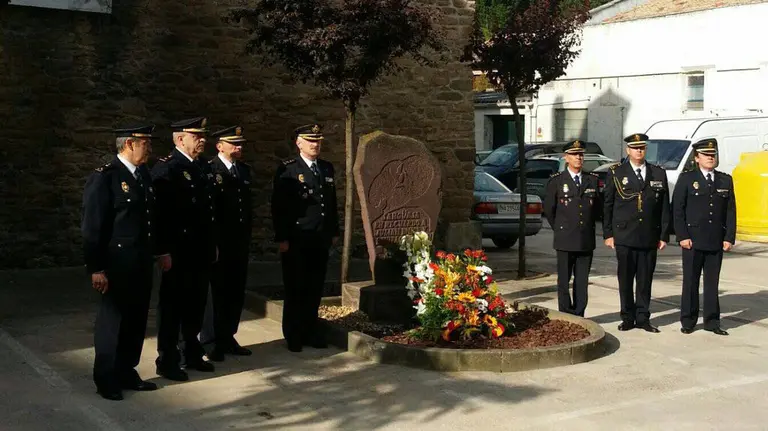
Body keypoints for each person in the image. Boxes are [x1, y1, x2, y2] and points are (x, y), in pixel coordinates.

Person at [82, 124, 159, 401]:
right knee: (111, 323)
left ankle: (127, 370)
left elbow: (149, 221)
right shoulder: (106, 177)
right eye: (145, 143)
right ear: (128, 144)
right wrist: (96, 268)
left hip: (140, 262)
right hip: (116, 264)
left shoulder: (143, 176)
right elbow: (93, 228)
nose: (149, 148)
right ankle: (106, 378)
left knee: (136, 321)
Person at [151, 117, 217, 380]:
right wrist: (163, 250)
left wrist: (212, 244)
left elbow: (208, 212)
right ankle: (167, 358)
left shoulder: (202, 166)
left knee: (195, 304)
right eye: (196, 136)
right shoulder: (167, 169)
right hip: (178, 251)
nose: (202, 140)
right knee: (172, 307)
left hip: (199, 250)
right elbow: (160, 215)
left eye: (203, 136)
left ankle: (192, 350)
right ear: (180, 139)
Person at [271, 123, 340, 352]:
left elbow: (331, 204)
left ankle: (311, 331)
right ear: (298, 143)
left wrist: (334, 231)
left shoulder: (326, 168)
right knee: (296, 287)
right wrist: (282, 238)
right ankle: (293, 334)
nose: (315, 145)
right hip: (297, 238)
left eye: (318, 141)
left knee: (314, 287)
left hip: (319, 238)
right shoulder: (288, 169)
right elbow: (279, 206)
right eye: (311, 141)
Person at [603, 133, 671, 333]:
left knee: (645, 279)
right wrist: (608, 233)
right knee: (625, 279)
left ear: (645, 149)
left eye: (642, 148)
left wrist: (663, 235)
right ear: (628, 150)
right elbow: (608, 204)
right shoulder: (616, 172)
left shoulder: (658, 173)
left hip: (649, 236)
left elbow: (664, 207)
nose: (638, 151)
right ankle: (627, 317)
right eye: (635, 148)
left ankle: (643, 317)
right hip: (624, 235)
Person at [672, 138, 735, 336]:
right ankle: (688, 320)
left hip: (715, 239)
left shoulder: (725, 180)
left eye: (713, 154)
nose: (710, 157)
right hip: (692, 239)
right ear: (697, 158)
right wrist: (682, 235)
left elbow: (731, 211)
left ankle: (712, 321)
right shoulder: (687, 178)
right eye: (706, 154)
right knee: (690, 282)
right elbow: (678, 209)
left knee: (712, 283)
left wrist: (729, 237)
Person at [204, 126, 253, 360]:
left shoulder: (243, 171)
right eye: (234, 143)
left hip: (239, 241)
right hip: (219, 243)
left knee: (235, 291)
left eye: (240, 143)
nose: (239, 147)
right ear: (219, 145)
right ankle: (212, 340)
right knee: (217, 292)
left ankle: (228, 335)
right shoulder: (210, 170)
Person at [543, 140, 601, 317]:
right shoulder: (557, 181)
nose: (578, 158)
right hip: (565, 238)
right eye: (574, 154)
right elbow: (549, 210)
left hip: (585, 239)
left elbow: (597, 209)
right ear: (566, 157)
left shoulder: (592, 180)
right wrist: (561, 229)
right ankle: (566, 314)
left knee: (582, 281)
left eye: (581, 154)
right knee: (564, 280)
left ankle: (579, 313)